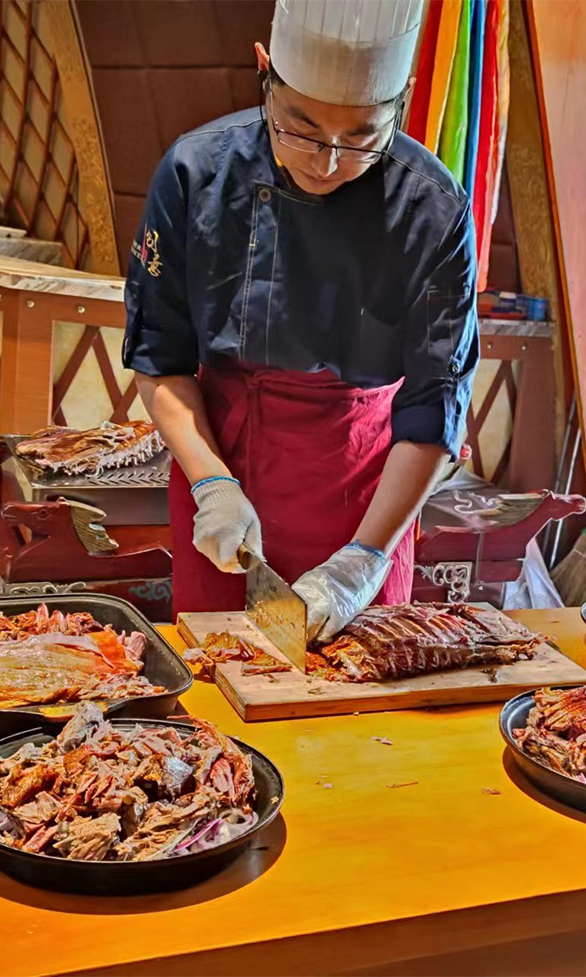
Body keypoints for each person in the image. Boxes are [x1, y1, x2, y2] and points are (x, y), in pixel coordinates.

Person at [122, 0, 477, 641]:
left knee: (363, 685)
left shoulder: (433, 206)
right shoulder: (195, 172)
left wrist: (363, 560)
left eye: (362, 137)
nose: (328, 161)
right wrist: (212, 484)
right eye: (300, 129)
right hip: (222, 468)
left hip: (369, 492)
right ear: (264, 71)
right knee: (217, 677)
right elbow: (161, 360)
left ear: (402, 99)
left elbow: (435, 403)